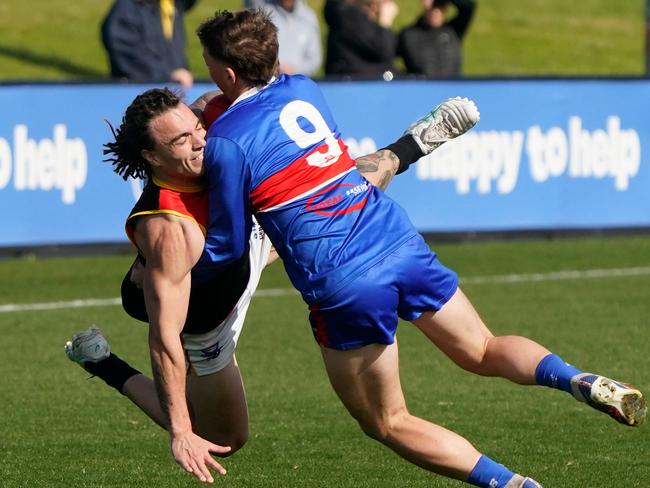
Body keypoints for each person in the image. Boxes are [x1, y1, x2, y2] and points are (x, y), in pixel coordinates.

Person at [196, 9, 646, 487]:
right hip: (393, 238)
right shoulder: (304, 89)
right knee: (482, 348)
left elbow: (226, 246)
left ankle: (514, 485)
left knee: (387, 421)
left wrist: (178, 277)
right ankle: (577, 379)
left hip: (344, 279)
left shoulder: (224, 142)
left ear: (226, 73)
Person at [65, 86, 477, 483]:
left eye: (196, 128)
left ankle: (414, 143)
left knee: (342, 188)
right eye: (181, 141)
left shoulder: (212, 121)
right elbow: (164, 339)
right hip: (207, 313)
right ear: (151, 156)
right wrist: (179, 431)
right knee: (224, 438)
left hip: (247, 242)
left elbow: (227, 97)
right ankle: (102, 362)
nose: (198, 142)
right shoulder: (168, 228)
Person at [101, 0, 197, 88]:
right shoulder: (128, 9)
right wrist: (167, 74)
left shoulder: (170, 4)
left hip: (173, 87)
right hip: (139, 89)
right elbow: (125, 50)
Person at [398, 0, 476, 78]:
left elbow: (468, 6)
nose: (436, 11)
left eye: (440, 7)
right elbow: (387, 57)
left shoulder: (453, 30)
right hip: (423, 88)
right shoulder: (409, 35)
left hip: (452, 87)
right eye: (432, 7)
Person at [245, 0, 322, 76]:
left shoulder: (309, 17)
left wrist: (294, 70)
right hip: (269, 80)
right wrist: (274, 68)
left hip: (297, 81)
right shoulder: (264, 12)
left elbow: (314, 60)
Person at [324, 0, 398, 78]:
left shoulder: (349, 14)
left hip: (364, 81)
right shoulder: (346, 14)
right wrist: (384, 22)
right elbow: (383, 49)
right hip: (357, 82)